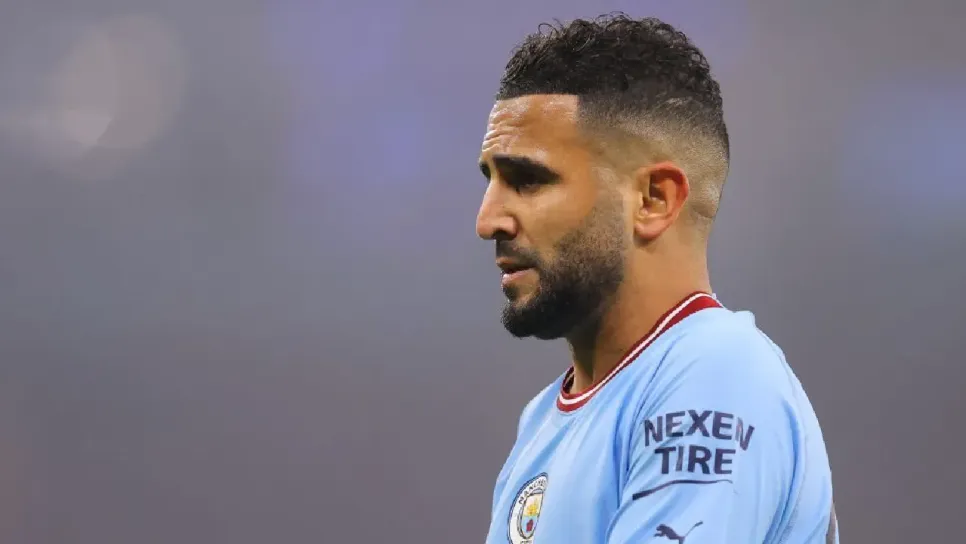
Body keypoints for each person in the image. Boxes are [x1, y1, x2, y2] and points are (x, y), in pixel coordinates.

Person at [475, 13, 838, 544]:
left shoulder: (716, 373)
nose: (487, 221)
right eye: (490, 181)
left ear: (653, 199)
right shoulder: (542, 421)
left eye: (527, 180)